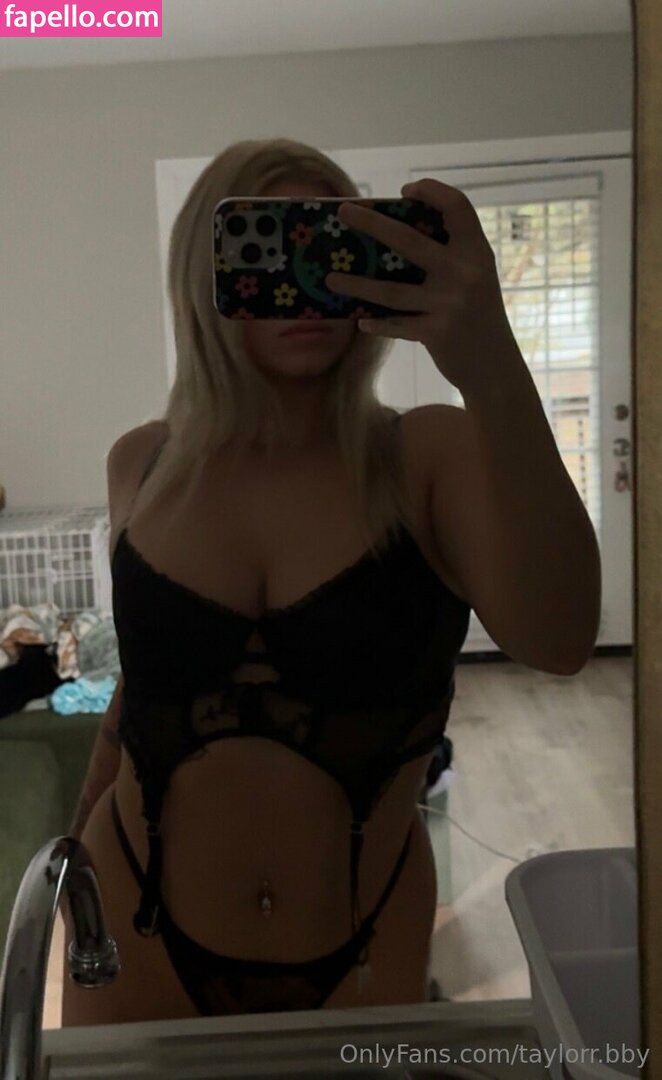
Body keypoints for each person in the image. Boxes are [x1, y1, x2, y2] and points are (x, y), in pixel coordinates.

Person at [62, 137, 601, 1025]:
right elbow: (149, 686)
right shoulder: (142, 464)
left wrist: (490, 362)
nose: (305, 281)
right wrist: (70, 855)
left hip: (365, 942)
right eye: (266, 250)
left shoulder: (426, 456)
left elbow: (563, 638)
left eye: (331, 249)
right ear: (207, 274)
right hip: (131, 923)